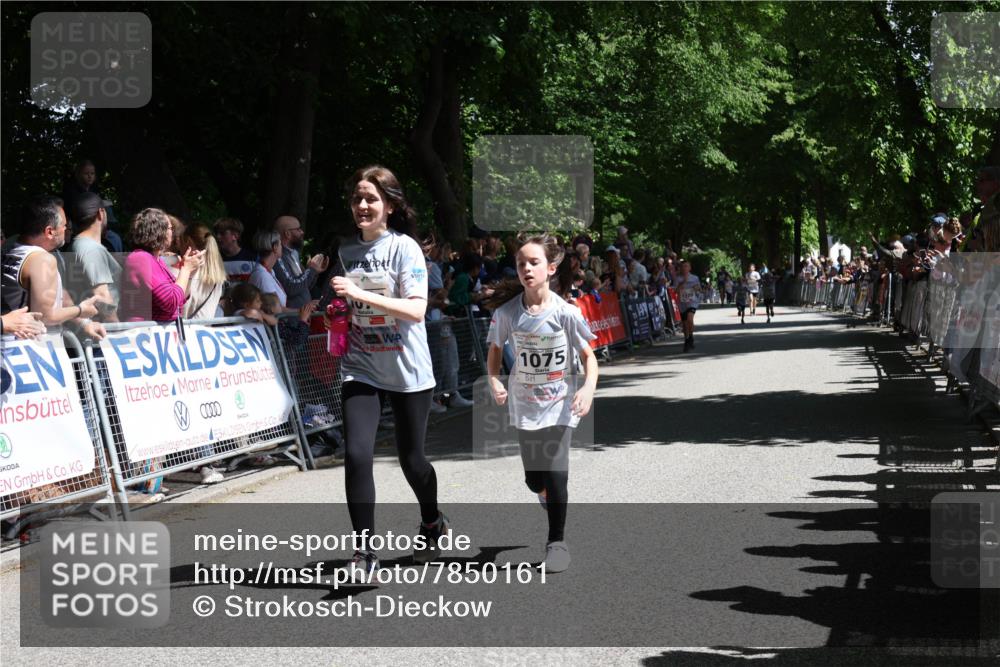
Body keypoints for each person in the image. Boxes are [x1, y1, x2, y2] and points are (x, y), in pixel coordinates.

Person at [328, 165, 448, 579]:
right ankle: (365, 553)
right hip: (360, 367)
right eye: (357, 199)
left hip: (406, 368)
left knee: (412, 461)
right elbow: (347, 307)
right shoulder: (344, 252)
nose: (363, 206)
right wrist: (335, 313)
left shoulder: (405, 249)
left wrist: (359, 293)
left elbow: (416, 309)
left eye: (372, 199)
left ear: (390, 206)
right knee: (358, 454)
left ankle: (432, 522)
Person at [485, 233, 598, 574]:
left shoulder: (566, 313)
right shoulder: (507, 314)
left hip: (560, 404)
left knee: (556, 473)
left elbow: (589, 358)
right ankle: (542, 491)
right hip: (525, 405)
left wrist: (588, 388)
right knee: (535, 480)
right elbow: (493, 354)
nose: (526, 268)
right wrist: (493, 379)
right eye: (521, 263)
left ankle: (556, 544)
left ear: (550, 268)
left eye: (533, 262)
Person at [1, 195, 105, 339]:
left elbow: (57, 293)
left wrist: (83, 323)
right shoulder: (41, 260)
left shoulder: (9, 247)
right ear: (50, 232)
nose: (66, 229)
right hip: (30, 349)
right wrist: (81, 310)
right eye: (63, 225)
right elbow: (46, 316)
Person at [120, 208, 203, 322]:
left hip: (159, 334)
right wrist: (185, 269)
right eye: (170, 228)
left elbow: (180, 298)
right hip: (144, 334)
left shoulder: (156, 260)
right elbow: (170, 302)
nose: (172, 233)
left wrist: (189, 273)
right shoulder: (141, 258)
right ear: (158, 231)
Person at [67, 192, 121, 322]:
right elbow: (102, 297)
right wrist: (119, 330)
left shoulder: (79, 245)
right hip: (101, 333)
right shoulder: (91, 249)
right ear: (100, 213)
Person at [273, 215, 329, 308]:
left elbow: (304, 287)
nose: (302, 232)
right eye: (298, 229)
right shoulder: (278, 256)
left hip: (302, 317)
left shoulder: (294, 253)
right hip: (291, 318)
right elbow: (290, 288)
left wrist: (314, 272)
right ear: (287, 234)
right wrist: (311, 270)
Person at [176, 223, 227, 319]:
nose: (178, 247)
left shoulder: (183, 272)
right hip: (205, 332)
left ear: (188, 242)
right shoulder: (217, 274)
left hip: (184, 331)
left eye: (181, 241)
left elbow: (177, 303)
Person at [248, 231, 290, 309]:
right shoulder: (262, 275)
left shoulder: (270, 271)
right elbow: (276, 309)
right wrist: (303, 311)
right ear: (275, 247)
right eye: (280, 244)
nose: (282, 247)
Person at [213, 217, 257, 282]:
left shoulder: (252, 260)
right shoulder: (214, 260)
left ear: (235, 236)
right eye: (216, 233)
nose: (218, 237)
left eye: (222, 233)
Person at [672, 260, 701, 352]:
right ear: (680, 268)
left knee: (690, 319)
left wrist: (697, 289)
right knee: (684, 324)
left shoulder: (695, 278)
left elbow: (699, 289)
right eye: (683, 266)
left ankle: (690, 337)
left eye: (686, 266)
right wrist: (681, 284)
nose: (684, 268)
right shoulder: (678, 279)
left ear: (690, 268)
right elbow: (675, 291)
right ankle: (687, 339)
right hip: (682, 303)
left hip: (692, 302)